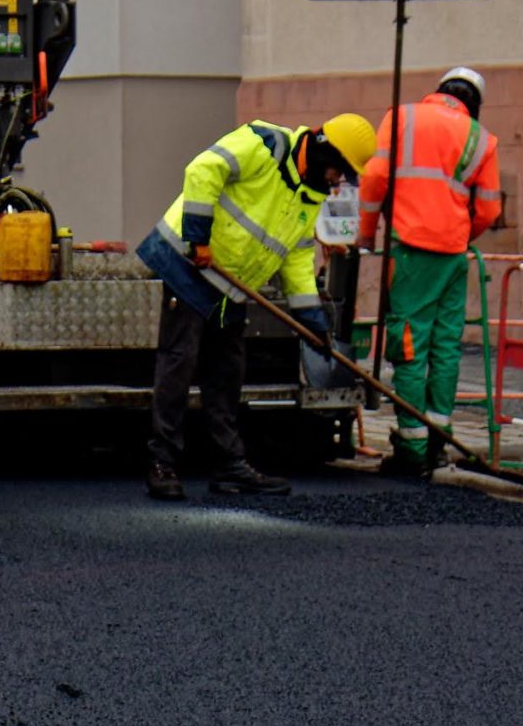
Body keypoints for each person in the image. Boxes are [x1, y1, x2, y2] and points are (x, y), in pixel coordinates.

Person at [135, 111, 377, 501]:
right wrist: (198, 237)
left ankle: (229, 465)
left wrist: (312, 323)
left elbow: (296, 259)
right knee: (179, 365)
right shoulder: (264, 144)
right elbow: (203, 169)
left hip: (233, 285)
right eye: (339, 170)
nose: (337, 181)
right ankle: (162, 463)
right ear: (323, 150)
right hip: (190, 265)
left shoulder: (308, 195)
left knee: (227, 374)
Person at [359, 66, 503, 478]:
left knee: (408, 344)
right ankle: (438, 438)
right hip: (453, 255)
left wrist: (367, 232)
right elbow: (489, 209)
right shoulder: (482, 139)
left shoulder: (401, 117)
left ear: (439, 90)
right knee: (445, 346)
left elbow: (375, 178)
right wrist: (459, 235)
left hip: (411, 250)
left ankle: (412, 447)